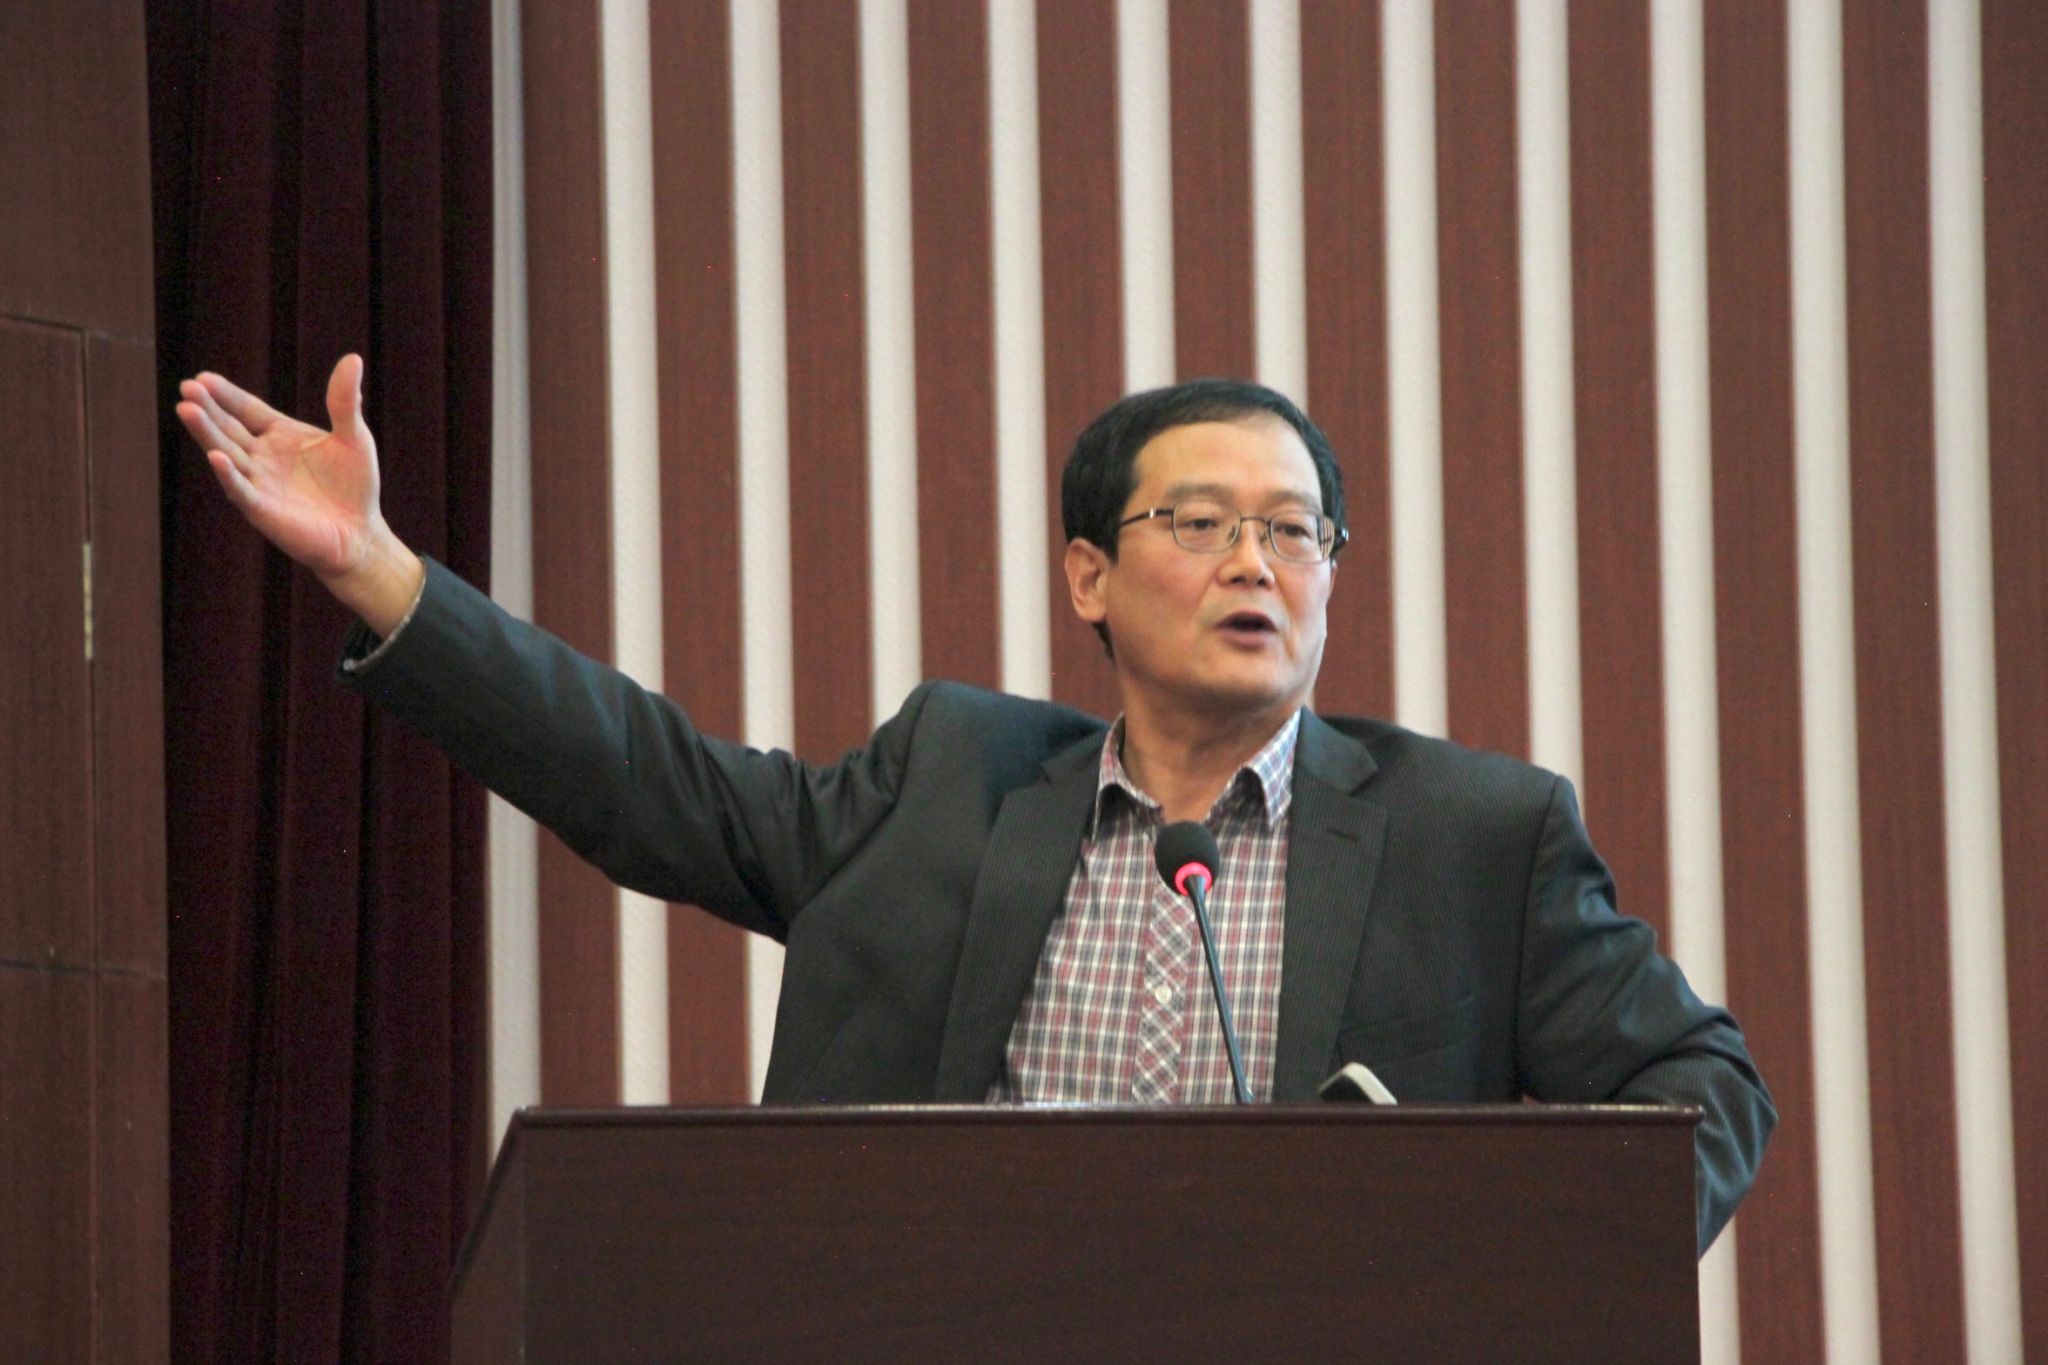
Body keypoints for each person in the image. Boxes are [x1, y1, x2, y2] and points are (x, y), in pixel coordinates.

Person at [176, 357, 1773, 1254]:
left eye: (1296, 531)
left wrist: (1512, 1270)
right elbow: (652, 780)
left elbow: (1707, 1088)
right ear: (1089, 573)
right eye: (1201, 521)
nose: (1255, 562)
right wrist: (379, 571)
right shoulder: (950, 780)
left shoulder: (1472, 836)